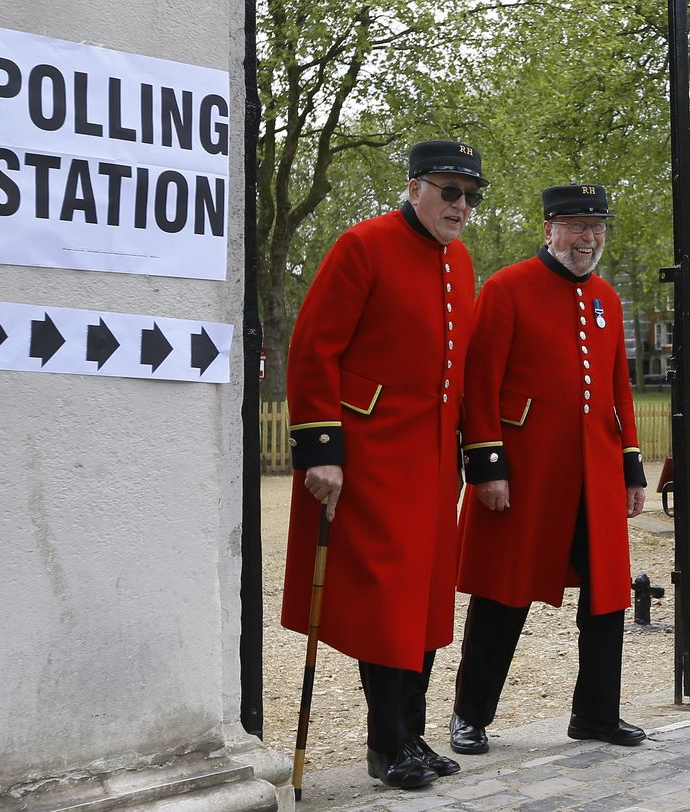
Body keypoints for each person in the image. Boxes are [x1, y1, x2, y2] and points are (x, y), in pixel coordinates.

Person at [280, 140, 486, 789]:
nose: (461, 206)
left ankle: (413, 735)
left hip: (431, 460)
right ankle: (386, 744)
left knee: (424, 602)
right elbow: (314, 348)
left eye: (471, 195)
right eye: (450, 191)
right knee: (387, 602)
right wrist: (322, 450)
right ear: (414, 186)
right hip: (371, 456)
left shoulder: (460, 261)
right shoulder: (362, 245)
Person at [449, 183, 648, 756]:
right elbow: (480, 383)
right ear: (549, 230)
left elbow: (618, 389)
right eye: (578, 226)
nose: (589, 238)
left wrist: (631, 468)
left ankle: (596, 715)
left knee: (607, 595)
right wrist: (487, 465)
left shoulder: (608, 299)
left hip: (596, 470)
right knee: (503, 593)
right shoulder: (508, 288)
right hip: (526, 472)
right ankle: (470, 715)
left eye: (598, 227)